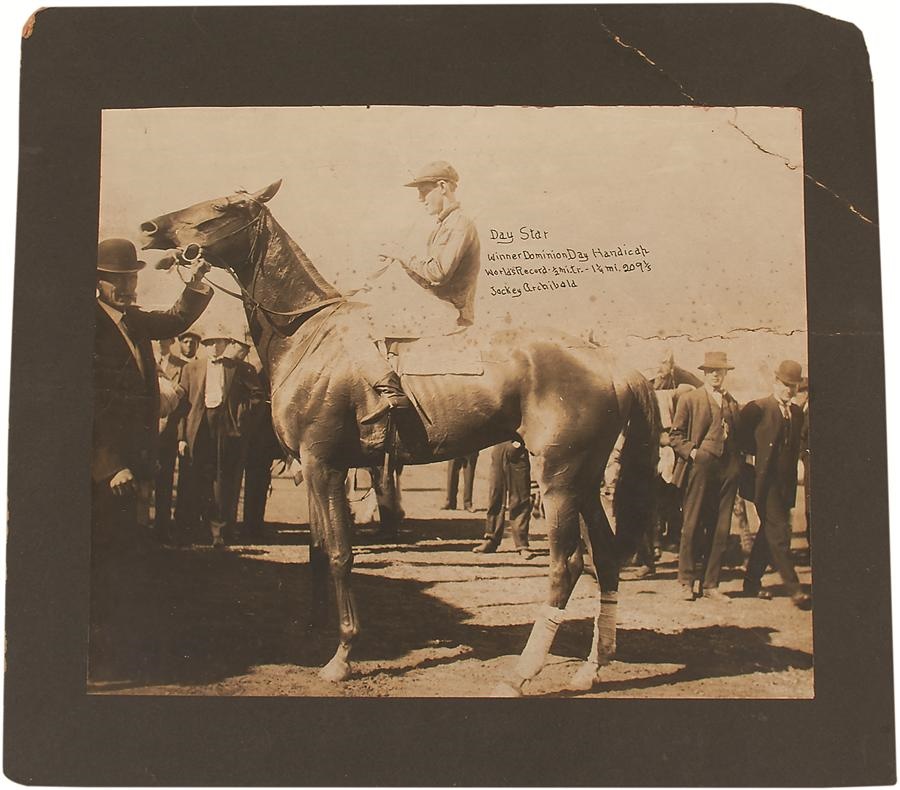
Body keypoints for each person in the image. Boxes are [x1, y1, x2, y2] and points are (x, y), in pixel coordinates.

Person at [91, 238, 212, 672]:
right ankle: (98, 653)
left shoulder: (133, 321)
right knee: (102, 555)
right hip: (105, 470)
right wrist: (110, 464)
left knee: (124, 553)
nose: (128, 285)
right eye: (117, 279)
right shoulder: (86, 327)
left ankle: (116, 645)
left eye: (132, 276)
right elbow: (86, 405)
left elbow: (176, 317)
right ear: (97, 283)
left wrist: (197, 281)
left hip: (133, 464)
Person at [347, 161, 483, 425]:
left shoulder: (461, 224)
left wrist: (402, 254)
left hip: (450, 311)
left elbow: (438, 273)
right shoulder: (445, 224)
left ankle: (393, 397)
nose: (421, 199)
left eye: (424, 190)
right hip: (438, 306)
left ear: (442, 187)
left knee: (366, 322)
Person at [177, 325, 266, 546]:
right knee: (198, 477)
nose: (213, 347)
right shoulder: (191, 368)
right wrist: (181, 437)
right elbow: (181, 405)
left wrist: (241, 418)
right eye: (208, 343)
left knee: (225, 479)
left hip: (228, 429)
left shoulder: (241, 368)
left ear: (227, 344)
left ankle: (222, 530)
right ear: (203, 346)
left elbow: (258, 397)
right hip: (199, 427)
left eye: (218, 342)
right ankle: (197, 528)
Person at [669, 351, 742, 602]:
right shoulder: (691, 399)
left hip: (728, 470)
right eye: (711, 371)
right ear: (704, 373)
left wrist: (737, 466)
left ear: (725, 374)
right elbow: (675, 436)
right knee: (691, 525)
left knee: (721, 528)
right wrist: (694, 453)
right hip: (699, 469)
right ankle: (686, 582)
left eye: (720, 371)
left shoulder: (732, 403)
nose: (715, 375)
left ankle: (711, 584)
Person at [739, 360, 812, 609]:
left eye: (793, 386)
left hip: (784, 485)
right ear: (775, 381)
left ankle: (750, 583)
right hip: (762, 484)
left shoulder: (797, 413)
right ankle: (795, 590)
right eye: (785, 385)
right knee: (779, 533)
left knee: (767, 534)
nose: (789, 390)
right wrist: (749, 467)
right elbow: (740, 440)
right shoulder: (757, 409)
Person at [473, 440, 533, 559]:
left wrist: (519, 444)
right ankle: (491, 539)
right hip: (499, 447)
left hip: (519, 450)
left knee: (520, 498)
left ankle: (522, 545)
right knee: (495, 495)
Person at [153, 337, 188, 543]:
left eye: (164, 338)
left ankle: (161, 528)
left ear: (171, 340)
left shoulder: (182, 366)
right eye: (156, 338)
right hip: (145, 432)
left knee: (164, 482)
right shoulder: (144, 359)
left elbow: (183, 406)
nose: (160, 342)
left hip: (168, 434)